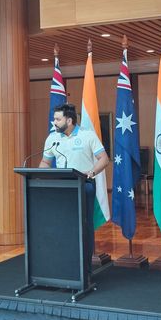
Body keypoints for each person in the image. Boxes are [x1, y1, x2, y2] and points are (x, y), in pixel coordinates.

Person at [39, 103, 109, 277]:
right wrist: (41, 175)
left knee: (84, 227)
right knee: (63, 226)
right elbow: (45, 162)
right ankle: (64, 266)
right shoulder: (52, 138)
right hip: (61, 188)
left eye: (57, 119)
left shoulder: (87, 135)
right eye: (54, 118)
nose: (53, 122)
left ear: (69, 120)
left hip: (83, 186)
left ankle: (84, 270)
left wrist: (91, 172)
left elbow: (104, 159)